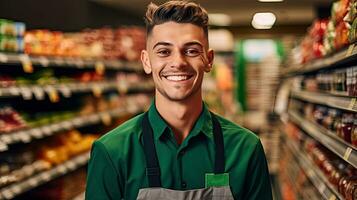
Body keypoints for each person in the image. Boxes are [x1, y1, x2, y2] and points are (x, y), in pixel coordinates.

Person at [85, 1, 273, 199]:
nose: (178, 62)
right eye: (164, 52)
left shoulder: (245, 149)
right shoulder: (111, 152)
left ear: (208, 60)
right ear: (147, 61)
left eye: (191, 51)